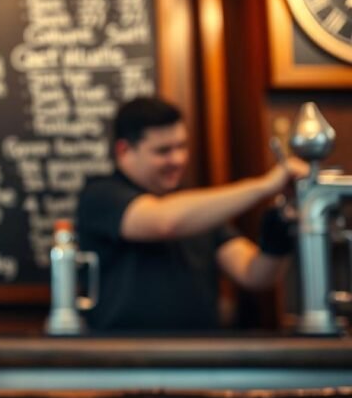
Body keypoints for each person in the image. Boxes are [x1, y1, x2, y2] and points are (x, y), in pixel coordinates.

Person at [75, 97, 308, 331]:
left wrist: (280, 227)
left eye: (182, 146)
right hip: (125, 350)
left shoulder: (195, 209)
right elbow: (164, 222)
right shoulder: (101, 195)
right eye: (163, 151)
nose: (177, 159)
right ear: (124, 150)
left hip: (200, 351)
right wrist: (266, 185)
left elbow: (254, 273)